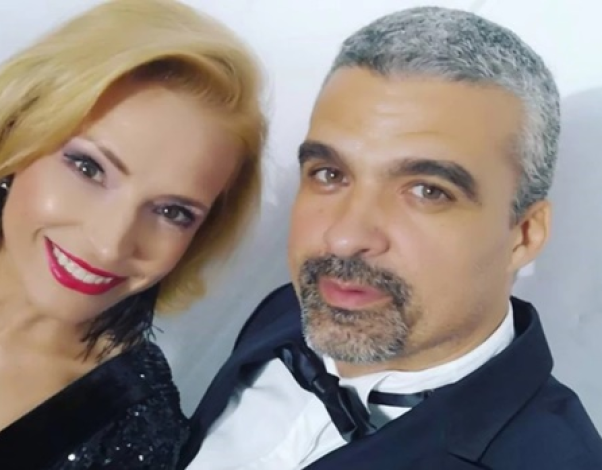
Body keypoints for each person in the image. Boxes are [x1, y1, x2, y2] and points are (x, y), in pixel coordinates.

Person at [181, 6, 602, 470]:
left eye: (427, 191)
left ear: (523, 235)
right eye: (329, 173)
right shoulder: (292, 311)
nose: (344, 238)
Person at [0, 0, 265, 468]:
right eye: (89, 168)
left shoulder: (132, 430)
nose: (110, 244)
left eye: (172, 212)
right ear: (15, 135)